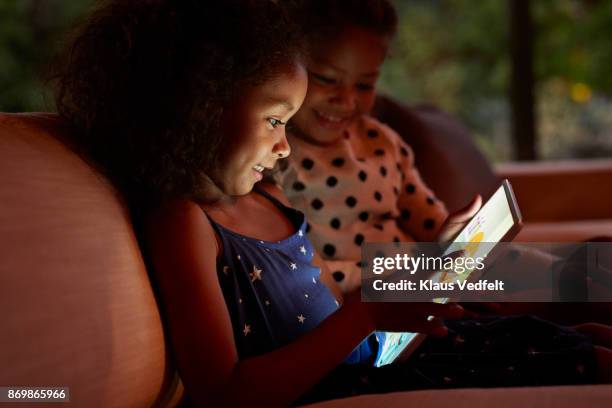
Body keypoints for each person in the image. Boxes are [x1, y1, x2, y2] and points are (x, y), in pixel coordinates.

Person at [52, 1, 612, 406]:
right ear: (197, 111)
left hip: (391, 348)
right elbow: (224, 393)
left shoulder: (269, 195)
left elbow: (328, 302)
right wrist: (369, 310)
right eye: (275, 121)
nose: (284, 144)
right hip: (370, 368)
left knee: (580, 323)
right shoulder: (182, 222)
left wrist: (432, 262)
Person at [274, 0, 481, 293]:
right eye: (326, 79)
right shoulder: (274, 153)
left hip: (424, 292)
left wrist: (459, 240)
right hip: (368, 308)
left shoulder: (381, 142)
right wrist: (408, 278)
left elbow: (433, 225)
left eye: (364, 86)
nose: (346, 101)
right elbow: (300, 273)